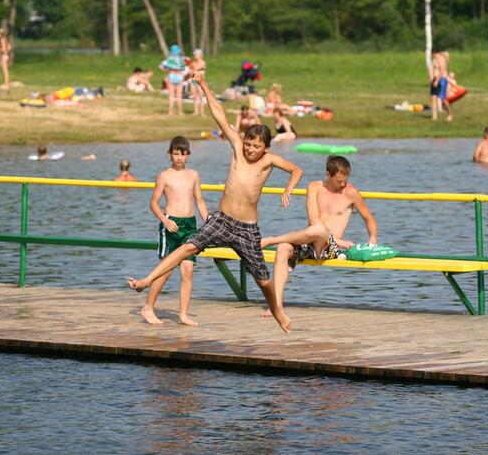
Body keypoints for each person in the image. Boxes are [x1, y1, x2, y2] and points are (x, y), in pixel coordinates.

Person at [128, 72, 304, 334]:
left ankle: (277, 311)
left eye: (256, 146)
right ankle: (146, 280)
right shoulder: (236, 147)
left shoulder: (269, 161)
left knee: (264, 282)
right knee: (188, 248)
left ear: (266, 148)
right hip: (222, 219)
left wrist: (288, 189)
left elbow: (296, 170)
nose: (250, 150)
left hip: (247, 228)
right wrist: (204, 86)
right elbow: (219, 114)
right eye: (248, 144)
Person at [260, 156, 377, 316]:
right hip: (310, 239)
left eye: (345, 180)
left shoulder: (351, 193)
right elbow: (313, 220)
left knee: (319, 230)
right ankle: (277, 305)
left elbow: (369, 218)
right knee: (283, 249)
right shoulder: (314, 187)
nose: (342, 184)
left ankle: (271, 239)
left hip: (331, 248)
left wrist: (372, 239)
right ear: (328, 174)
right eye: (339, 181)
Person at [141, 136, 209, 326]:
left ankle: (183, 314)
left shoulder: (194, 175)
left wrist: (209, 221)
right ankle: (148, 307)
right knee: (167, 269)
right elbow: (153, 203)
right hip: (171, 223)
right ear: (170, 153)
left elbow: (200, 201)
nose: (179, 157)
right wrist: (164, 220)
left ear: (188, 155)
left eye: (183, 154)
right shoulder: (164, 176)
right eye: (176, 153)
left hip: (190, 225)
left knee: (187, 270)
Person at [159, 45, 188, 116]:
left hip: (171, 75)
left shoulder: (169, 60)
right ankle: (180, 112)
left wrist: (167, 71)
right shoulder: (182, 59)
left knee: (171, 95)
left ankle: (170, 112)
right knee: (179, 95)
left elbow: (160, 66)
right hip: (180, 76)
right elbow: (189, 65)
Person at [431, 50, 453, 122]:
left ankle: (450, 114)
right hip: (435, 80)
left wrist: (437, 80)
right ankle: (434, 116)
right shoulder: (434, 59)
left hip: (442, 80)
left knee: (442, 98)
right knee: (434, 97)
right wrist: (432, 79)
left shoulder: (441, 59)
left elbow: (442, 70)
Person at [189, 49, 207, 116]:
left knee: (201, 96)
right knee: (195, 96)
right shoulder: (193, 63)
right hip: (193, 80)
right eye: (194, 54)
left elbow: (196, 68)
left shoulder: (203, 62)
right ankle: (196, 111)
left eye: (196, 54)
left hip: (200, 81)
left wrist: (192, 69)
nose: (194, 56)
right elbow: (190, 71)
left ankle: (202, 112)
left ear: (200, 55)